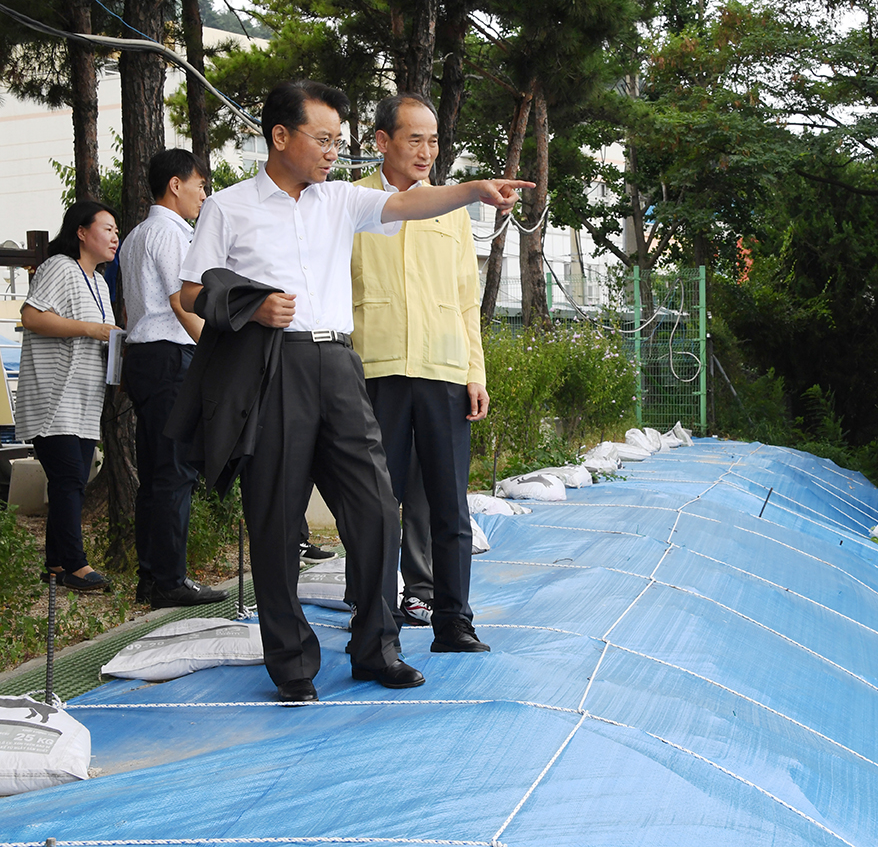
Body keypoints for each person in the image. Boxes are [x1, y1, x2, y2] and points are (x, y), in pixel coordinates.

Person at [175, 79, 530, 704]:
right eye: (323, 138)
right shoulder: (229, 207)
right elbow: (188, 294)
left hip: (339, 363)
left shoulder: (340, 200)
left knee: (375, 510)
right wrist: (254, 311)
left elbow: (411, 205)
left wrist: (474, 191)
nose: (333, 151)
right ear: (281, 137)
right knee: (277, 521)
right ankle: (291, 665)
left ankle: (376, 648)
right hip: (272, 367)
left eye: (340, 140)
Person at [351, 93, 489, 652]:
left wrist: (474, 371)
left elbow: (465, 298)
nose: (426, 151)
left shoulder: (450, 206)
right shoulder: (349, 203)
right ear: (382, 140)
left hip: (445, 369)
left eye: (433, 140)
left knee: (450, 505)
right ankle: (377, 625)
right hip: (374, 368)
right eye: (415, 139)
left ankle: (453, 620)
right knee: (376, 506)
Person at [121, 149, 228, 609]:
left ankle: (152, 577)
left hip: (144, 358)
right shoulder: (167, 233)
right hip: (169, 357)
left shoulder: (135, 236)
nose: (203, 195)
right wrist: (217, 358)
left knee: (156, 472)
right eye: (200, 185)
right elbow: (183, 304)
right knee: (175, 470)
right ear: (175, 185)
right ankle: (169, 579)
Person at [16, 202, 123, 592]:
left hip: (85, 401)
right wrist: (90, 330)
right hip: (53, 398)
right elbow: (32, 316)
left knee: (71, 480)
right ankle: (76, 566)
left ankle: (56, 566)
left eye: (116, 231)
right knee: (69, 479)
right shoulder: (59, 267)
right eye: (107, 228)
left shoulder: (99, 281)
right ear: (81, 231)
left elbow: (105, 335)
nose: (115, 237)